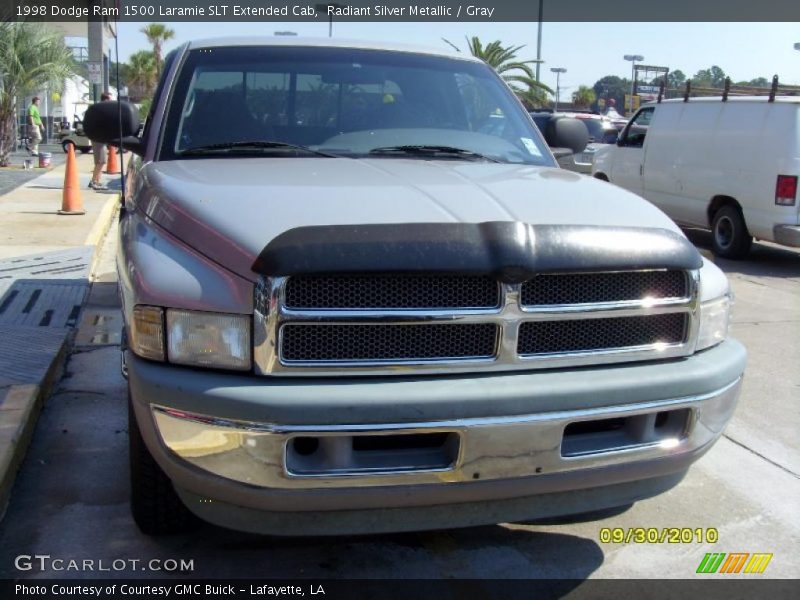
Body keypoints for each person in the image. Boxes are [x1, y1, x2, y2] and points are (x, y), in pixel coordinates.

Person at [89, 92, 112, 191]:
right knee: (100, 161)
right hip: (97, 138)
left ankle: (97, 181)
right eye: (110, 99)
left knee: (101, 161)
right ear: (106, 99)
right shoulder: (100, 109)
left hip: (100, 138)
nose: (111, 101)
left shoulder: (102, 109)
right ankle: (93, 182)